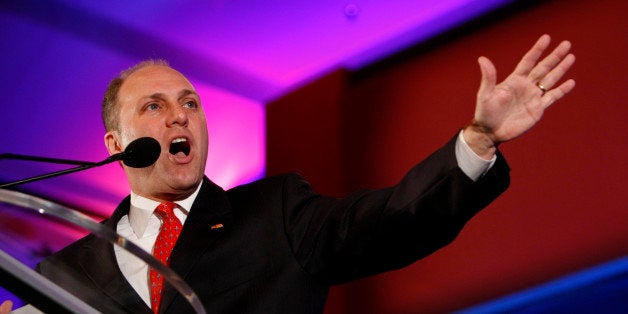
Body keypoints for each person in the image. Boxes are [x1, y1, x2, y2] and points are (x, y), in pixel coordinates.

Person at [2, 34, 575, 313]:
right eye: (153, 106)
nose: (180, 115)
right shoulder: (63, 273)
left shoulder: (275, 213)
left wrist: (478, 141)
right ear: (114, 143)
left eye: (191, 103)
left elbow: (394, 219)